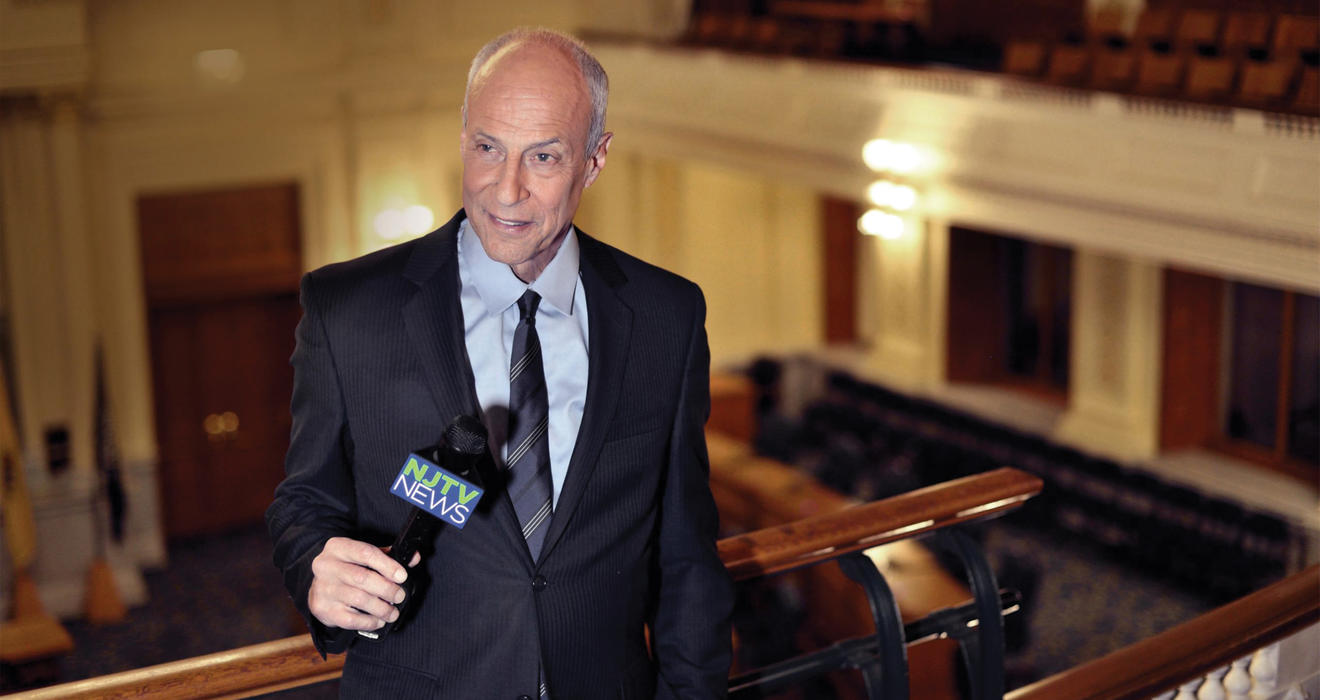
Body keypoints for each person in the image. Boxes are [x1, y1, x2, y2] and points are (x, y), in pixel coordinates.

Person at [266, 27, 734, 699]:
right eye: (488, 148)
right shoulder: (349, 310)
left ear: (595, 160)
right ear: (463, 137)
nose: (505, 190)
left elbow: (686, 555)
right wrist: (315, 564)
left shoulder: (669, 316)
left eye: (543, 157)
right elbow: (305, 500)